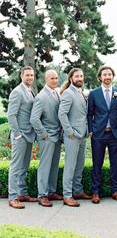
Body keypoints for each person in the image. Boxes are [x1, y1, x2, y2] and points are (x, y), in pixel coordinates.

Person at [87, 66, 117, 204]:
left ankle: (115, 191)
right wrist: (91, 130)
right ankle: (96, 192)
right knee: (97, 164)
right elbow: (90, 114)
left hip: (115, 134)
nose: (107, 77)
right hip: (98, 134)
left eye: (109, 74)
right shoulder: (93, 93)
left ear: (113, 76)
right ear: (100, 77)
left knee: (115, 164)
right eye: (105, 74)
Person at [58, 68, 91, 207]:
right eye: (77, 76)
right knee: (70, 166)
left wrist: (88, 131)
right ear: (71, 78)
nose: (80, 78)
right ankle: (67, 195)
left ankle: (78, 190)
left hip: (82, 135)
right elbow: (62, 114)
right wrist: (69, 131)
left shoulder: (81, 93)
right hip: (72, 136)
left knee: (79, 165)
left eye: (81, 76)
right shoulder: (68, 93)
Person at [30, 70, 63, 207]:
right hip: (47, 137)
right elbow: (34, 119)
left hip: (57, 136)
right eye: (52, 78)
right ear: (46, 79)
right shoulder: (41, 97)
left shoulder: (57, 93)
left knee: (54, 165)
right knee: (45, 166)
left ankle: (51, 191)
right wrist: (44, 134)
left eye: (56, 78)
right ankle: (42, 195)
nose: (55, 81)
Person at [7, 66, 38, 209]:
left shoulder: (30, 91)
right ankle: (13, 197)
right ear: (21, 76)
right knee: (16, 166)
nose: (30, 78)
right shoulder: (17, 92)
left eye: (31, 75)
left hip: (29, 134)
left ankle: (22, 193)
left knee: (24, 167)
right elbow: (11, 115)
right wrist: (18, 134)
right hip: (20, 136)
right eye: (27, 75)